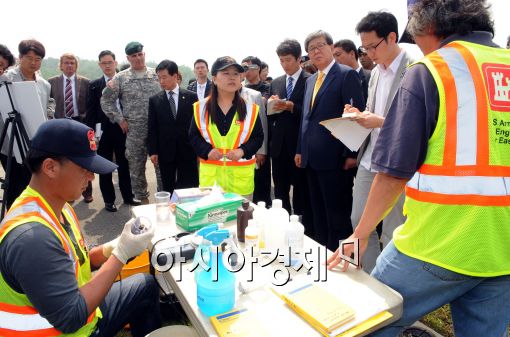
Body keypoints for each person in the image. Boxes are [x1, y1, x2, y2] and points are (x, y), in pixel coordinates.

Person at [327, 1, 510, 336]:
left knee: (370, 319)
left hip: (438, 244)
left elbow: (395, 170)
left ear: (425, 23)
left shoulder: (433, 70)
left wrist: (360, 234)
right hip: (501, 250)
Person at [0, 118, 160, 336]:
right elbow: (71, 318)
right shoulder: (32, 239)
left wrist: (114, 246)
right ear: (50, 167)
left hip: (85, 315)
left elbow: (79, 260)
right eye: (84, 168)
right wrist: (121, 255)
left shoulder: (56, 205)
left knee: (145, 285)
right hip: (71, 329)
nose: (91, 176)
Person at [345, 11, 414, 273]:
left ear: (392, 37)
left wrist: (379, 121)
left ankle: (392, 283)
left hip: (398, 162)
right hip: (370, 157)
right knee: (359, 221)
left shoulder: (414, 68)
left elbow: (416, 121)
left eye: (373, 47)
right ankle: (371, 275)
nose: (369, 54)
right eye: (365, 48)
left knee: (395, 228)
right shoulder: (375, 73)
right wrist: (359, 115)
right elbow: (373, 110)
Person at [295, 30, 365, 251]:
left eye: (320, 45)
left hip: (336, 158)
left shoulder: (346, 75)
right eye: (311, 48)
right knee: (318, 211)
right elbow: (306, 119)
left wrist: (351, 154)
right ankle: (324, 255)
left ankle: (344, 259)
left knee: (338, 214)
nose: (316, 51)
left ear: (331, 47)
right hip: (311, 158)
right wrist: (300, 150)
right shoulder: (310, 80)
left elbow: (356, 115)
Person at [189, 56, 264, 197]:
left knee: (241, 219)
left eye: (236, 74)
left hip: (240, 184)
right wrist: (207, 151)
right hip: (211, 185)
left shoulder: (250, 108)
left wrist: (242, 151)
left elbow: (258, 137)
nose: (232, 77)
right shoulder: (201, 108)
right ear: (214, 79)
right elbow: (193, 136)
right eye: (226, 73)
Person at [101, 41, 161, 204]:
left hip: (157, 131)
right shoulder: (120, 78)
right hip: (134, 131)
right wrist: (120, 120)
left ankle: (165, 202)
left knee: (161, 168)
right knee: (136, 170)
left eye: (140, 54)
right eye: (134, 56)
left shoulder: (156, 75)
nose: (138, 58)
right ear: (128, 58)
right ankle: (143, 204)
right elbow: (106, 101)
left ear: (144, 54)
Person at [3, 39, 55, 210]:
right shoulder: (6, 79)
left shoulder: (44, 84)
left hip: (35, 143)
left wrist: (49, 113)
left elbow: (50, 102)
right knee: (14, 186)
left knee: (33, 184)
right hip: (9, 143)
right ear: (20, 57)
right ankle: (12, 223)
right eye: (29, 58)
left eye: (38, 59)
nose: (34, 63)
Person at [269, 39, 313, 236]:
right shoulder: (277, 82)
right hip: (278, 145)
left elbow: (312, 113)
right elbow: (270, 116)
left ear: (298, 59)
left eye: (288, 60)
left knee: (301, 189)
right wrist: (271, 105)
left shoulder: (310, 80)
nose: (285, 64)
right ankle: (282, 225)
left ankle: (301, 227)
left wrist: (291, 106)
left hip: (299, 145)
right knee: (280, 188)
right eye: (281, 61)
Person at [85, 50, 138, 212]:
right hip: (103, 131)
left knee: (124, 164)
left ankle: (128, 196)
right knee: (105, 166)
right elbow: (91, 112)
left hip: (123, 129)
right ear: (99, 65)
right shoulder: (94, 85)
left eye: (110, 62)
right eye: (104, 63)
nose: (107, 65)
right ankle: (109, 200)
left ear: (115, 63)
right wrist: (93, 134)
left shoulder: (125, 80)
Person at [148, 60, 199, 194]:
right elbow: (152, 127)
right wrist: (153, 151)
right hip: (165, 150)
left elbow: (199, 125)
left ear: (175, 76)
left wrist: (200, 149)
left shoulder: (191, 97)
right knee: (168, 186)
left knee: (190, 187)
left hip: (187, 149)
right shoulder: (155, 100)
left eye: (164, 77)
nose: (161, 81)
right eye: (159, 78)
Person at [49, 53, 93, 203]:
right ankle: (67, 193)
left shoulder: (86, 83)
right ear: (61, 65)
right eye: (66, 63)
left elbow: (90, 105)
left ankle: (87, 192)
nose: (69, 66)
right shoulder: (51, 83)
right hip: (61, 124)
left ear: (76, 66)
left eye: (72, 63)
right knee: (63, 160)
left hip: (80, 123)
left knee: (85, 157)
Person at [242, 56, 271, 205]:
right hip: (241, 147)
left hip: (258, 144)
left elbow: (262, 122)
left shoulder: (265, 89)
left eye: (248, 68)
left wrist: (262, 150)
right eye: (243, 68)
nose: (245, 71)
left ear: (258, 68)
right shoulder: (237, 89)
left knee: (261, 185)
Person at [333, 39, 370, 104]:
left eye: (338, 55)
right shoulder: (336, 81)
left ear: (352, 54)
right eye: (333, 57)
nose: (335, 60)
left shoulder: (371, 76)